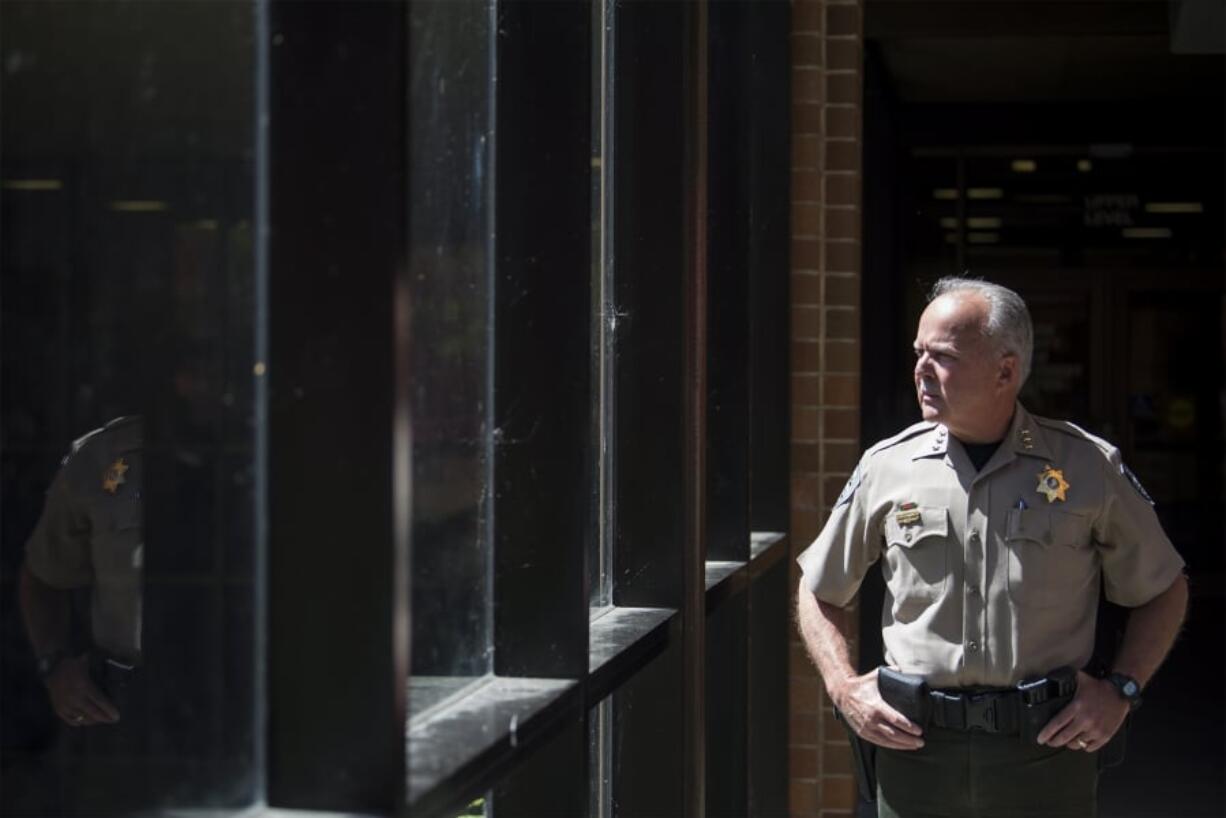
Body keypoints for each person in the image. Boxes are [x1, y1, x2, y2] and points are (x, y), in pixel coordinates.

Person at [795, 277, 1187, 818]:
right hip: (916, 753)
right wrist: (843, 688)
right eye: (919, 353)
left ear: (1006, 370)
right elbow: (818, 589)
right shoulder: (887, 467)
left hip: (1046, 751)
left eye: (944, 356)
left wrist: (1121, 689)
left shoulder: (1085, 466)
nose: (922, 370)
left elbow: (1164, 588)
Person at [19, 415, 143, 730]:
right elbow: (43, 577)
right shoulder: (101, 458)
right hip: (127, 706)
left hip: (263, 690)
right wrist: (54, 665)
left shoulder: (270, 452)